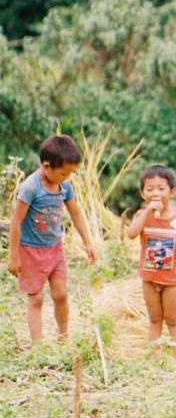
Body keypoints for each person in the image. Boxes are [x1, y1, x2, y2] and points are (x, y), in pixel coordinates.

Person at [6, 135, 97, 342]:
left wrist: (88, 242)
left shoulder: (64, 187)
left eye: (70, 173)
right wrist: (14, 257)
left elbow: (76, 213)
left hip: (55, 250)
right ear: (47, 166)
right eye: (63, 172)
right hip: (30, 251)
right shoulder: (31, 188)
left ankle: (63, 336)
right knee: (36, 299)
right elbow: (16, 222)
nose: (67, 177)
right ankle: (38, 345)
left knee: (61, 294)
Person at [124, 165, 176, 363]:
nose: (155, 193)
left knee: (172, 320)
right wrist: (147, 212)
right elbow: (131, 234)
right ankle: (153, 361)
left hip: (172, 279)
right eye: (149, 189)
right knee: (154, 319)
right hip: (149, 278)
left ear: (172, 192)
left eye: (161, 188)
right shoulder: (143, 216)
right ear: (142, 193)